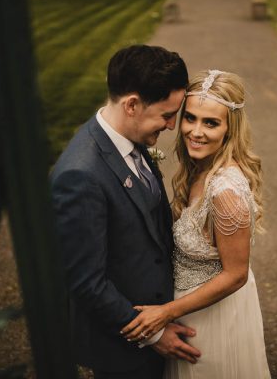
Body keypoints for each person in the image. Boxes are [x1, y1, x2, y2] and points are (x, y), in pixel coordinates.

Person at [50, 45, 201, 379]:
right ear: (132, 104)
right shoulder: (80, 176)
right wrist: (155, 334)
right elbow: (87, 282)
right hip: (124, 348)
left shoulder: (129, 138)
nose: (173, 126)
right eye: (166, 115)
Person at [121, 69, 271, 378]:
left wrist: (165, 313)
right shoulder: (199, 167)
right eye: (190, 118)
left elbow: (236, 275)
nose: (196, 131)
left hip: (212, 319)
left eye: (211, 123)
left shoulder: (225, 191)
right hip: (191, 310)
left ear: (230, 129)